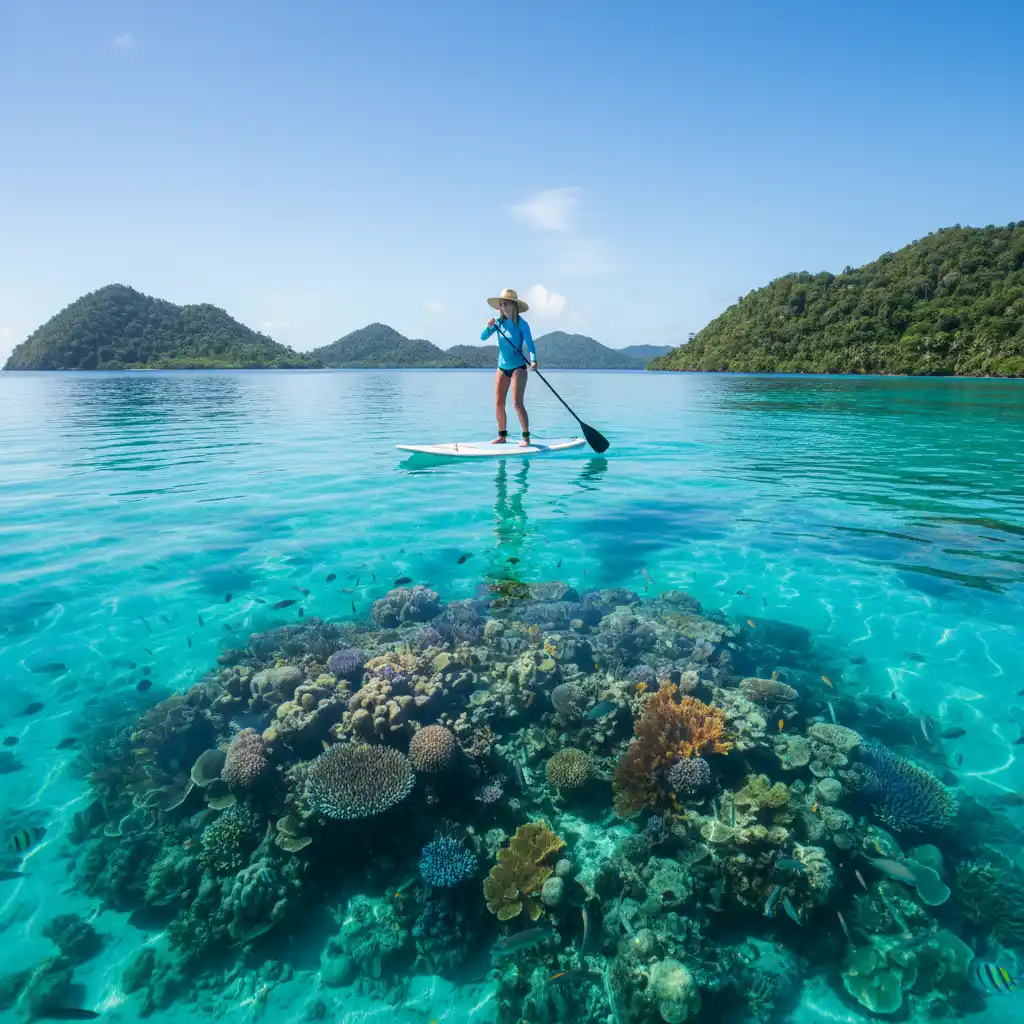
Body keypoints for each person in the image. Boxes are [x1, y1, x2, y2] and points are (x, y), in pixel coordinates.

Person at [480, 288, 538, 445]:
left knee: (517, 403)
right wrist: (488, 326)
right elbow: (483, 337)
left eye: (506, 304)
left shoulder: (522, 324)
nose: (503, 307)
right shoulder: (498, 323)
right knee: (498, 403)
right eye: (501, 304)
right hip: (502, 367)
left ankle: (526, 438)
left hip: (518, 367)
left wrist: (533, 361)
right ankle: (502, 436)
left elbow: (530, 345)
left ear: (514, 306)